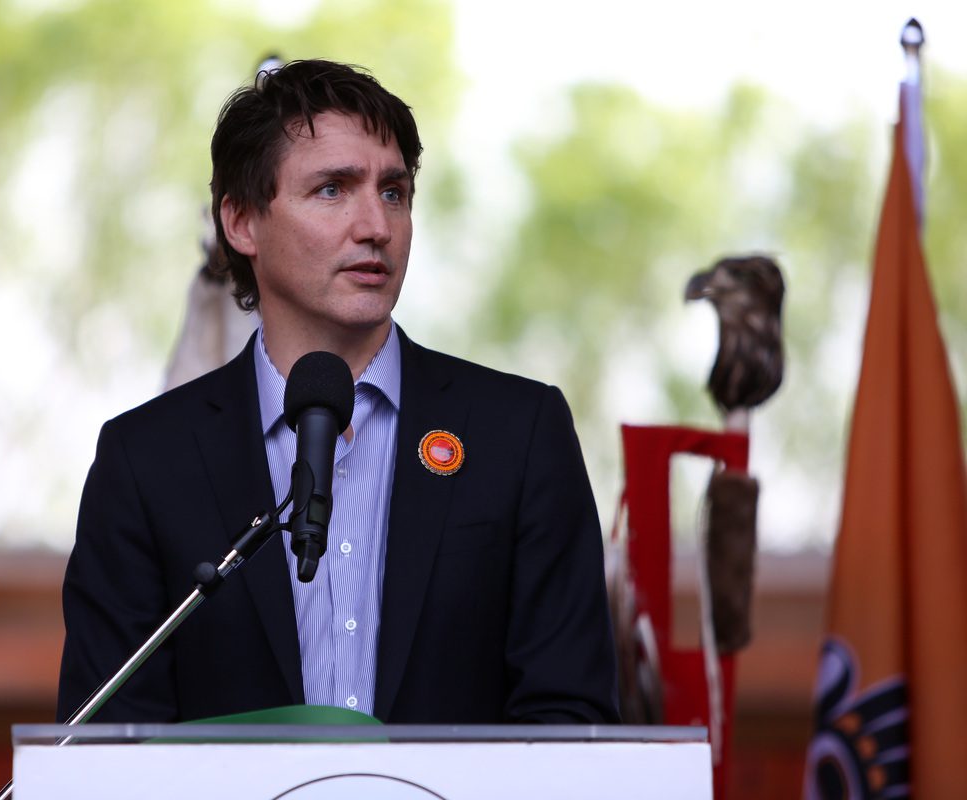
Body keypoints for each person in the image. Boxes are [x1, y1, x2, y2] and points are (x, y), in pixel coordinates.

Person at [57, 59, 619, 725]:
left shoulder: (519, 434)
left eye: (393, 192)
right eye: (332, 190)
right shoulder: (146, 460)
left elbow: (568, 720)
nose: (375, 226)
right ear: (240, 222)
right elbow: (112, 750)